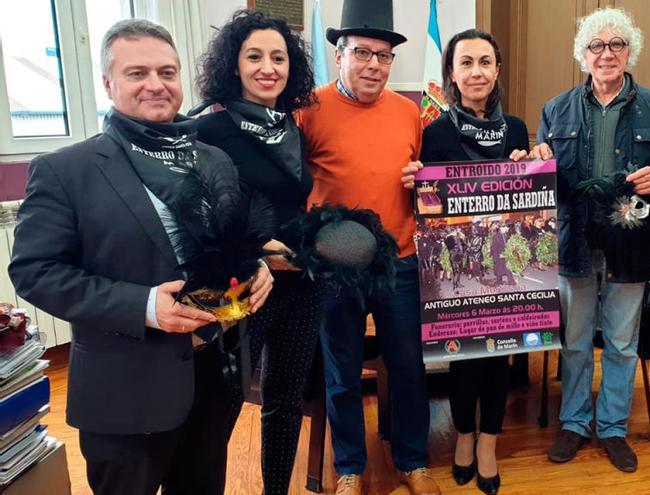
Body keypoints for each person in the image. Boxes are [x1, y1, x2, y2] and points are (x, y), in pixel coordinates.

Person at [7, 19, 272, 495]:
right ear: (108, 84)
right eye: (137, 73)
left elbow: (233, 240)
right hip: (125, 393)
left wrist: (259, 267)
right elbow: (35, 271)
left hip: (216, 376)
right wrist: (144, 307)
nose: (156, 84)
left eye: (167, 72)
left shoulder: (213, 159)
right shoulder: (66, 170)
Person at [296, 1, 440, 494]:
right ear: (339, 55)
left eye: (383, 56)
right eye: (362, 53)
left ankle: (413, 461)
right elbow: (288, 185)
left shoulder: (409, 112)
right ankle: (351, 468)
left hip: (399, 261)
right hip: (336, 269)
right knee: (342, 369)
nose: (374, 65)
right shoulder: (308, 109)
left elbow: (422, 183)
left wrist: (423, 181)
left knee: (408, 367)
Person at [529, 7, 650, 473]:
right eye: (597, 45)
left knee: (620, 341)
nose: (606, 54)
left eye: (616, 44)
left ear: (629, 51)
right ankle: (574, 423)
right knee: (574, 342)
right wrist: (535, 160)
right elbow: (540, 185)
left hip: (630, 245)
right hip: (574, 243)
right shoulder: (555, 110)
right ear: (583, 55)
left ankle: (613, 427)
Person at [193, 10, 320, 494]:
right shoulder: (209, 132)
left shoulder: (292, 128)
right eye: (255, 56)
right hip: (240, 286)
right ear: (234, 64)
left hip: (301, 284)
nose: (268, 67)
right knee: (220, 403)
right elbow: (198, 220)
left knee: (285, 401)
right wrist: (256, 248)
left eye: (278, 57)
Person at [416, 28, 530, 495]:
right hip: (458, 269)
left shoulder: (518, 128)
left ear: (497, 70)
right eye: (467, 63)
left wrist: (535, 161)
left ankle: (489, 443)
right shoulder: (435, 133)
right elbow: (424, 203)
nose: (477, 71)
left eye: (485, 61)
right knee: (464, 360)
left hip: (508, 265)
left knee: (500, 359)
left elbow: (530, 192)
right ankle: (463, 435)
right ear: (452, 73)